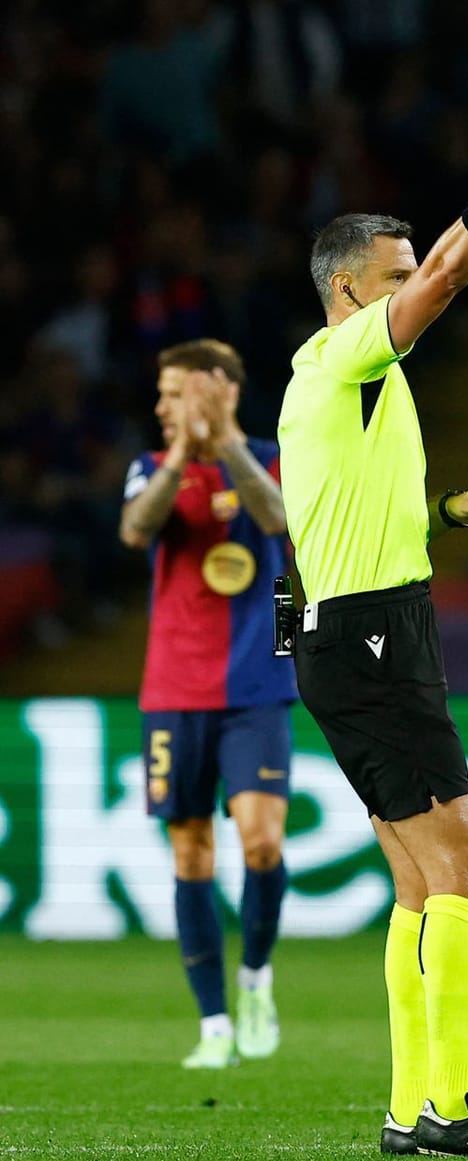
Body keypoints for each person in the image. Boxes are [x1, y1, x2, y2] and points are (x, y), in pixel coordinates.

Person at [277, 106, 468, 1158]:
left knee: (424, 880)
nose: (413, 286)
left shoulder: (352, 386)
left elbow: (348, 518)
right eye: (394, 273)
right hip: (364, 639)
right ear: (350, 288)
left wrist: (450, 510)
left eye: (409, 270)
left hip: (367, 628)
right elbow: (448, 281)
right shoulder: (340, 362)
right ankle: (452, 1106)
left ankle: (416, 1108)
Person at [118, 339, 294, 1070]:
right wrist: (182, 459)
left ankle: (255, 976)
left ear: (217, 390)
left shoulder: (273, 452)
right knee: (190, 852)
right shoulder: (147, 468)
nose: (162, 407)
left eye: (174, 392)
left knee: (262, 843)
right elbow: (136, 529)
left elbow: (278, 517)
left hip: (259, 680)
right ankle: (214, 1025)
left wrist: (223, 446)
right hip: (174, 688)